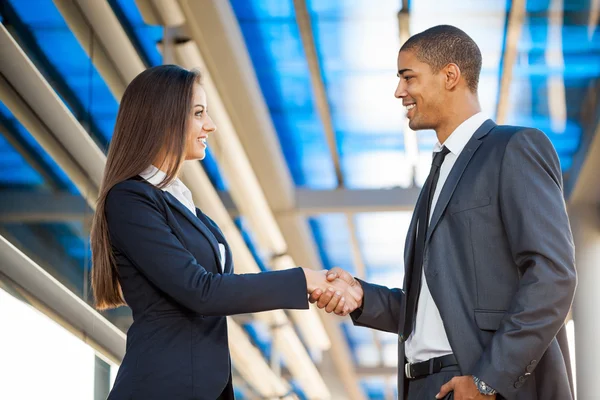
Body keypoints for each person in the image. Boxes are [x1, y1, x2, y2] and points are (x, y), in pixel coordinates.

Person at [311, 25, 577, 400]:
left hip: (479, 382)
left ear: (450, 75)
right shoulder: (438, 174)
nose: (399, 91)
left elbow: (553, 275)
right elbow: (437, 304)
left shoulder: (513, 148)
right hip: (424, 386)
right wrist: (362, 296)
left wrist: (489, 380)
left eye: (408, 77)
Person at [90, 65, 360, 400]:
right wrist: (303, 279)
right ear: (164, 117)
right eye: (199, 113)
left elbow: (217, 292)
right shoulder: (130, 199)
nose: (210, 125)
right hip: (159, 387)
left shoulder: (190, 209)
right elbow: (201, 291)